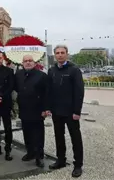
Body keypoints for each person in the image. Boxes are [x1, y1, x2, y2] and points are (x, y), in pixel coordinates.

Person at [46, 45, 84, 178]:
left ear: (67, 54)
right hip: (56, 111)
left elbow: (79, 92)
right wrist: (49, 108)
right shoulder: (52, 71)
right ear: (55, 55)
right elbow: (49, 91)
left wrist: (77, 111)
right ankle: (60, 160)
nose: (60, 55)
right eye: (57, 53)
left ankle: (78, 164)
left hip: (70, 111)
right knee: (59, 136)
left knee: (75, 138)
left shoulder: (74, 70)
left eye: (62, 53)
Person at [14, 55, 48, 168]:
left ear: (34, 63)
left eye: (30, 61)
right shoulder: (18, 74)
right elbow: (15, 88)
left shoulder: (42, 76)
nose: (28, 63)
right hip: (24, 108)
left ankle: (39, 156)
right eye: (25, 61)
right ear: (22, 63)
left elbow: (46, 94)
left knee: (38, 134)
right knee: (27, 132)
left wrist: (45, 109)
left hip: (37, 110)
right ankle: (30, 153)